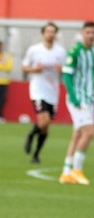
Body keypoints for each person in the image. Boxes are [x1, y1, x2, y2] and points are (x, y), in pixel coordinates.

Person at [22, 23, 66, 164]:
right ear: (43, 33)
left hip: (53, 92)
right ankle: (30, 135)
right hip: (38, 90)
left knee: (46, 126)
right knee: (44, 120)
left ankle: (36, 154)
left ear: (56, 34)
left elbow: (67, 70)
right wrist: (34, 69)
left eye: (53, 32)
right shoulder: (34, 50)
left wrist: (61, 71)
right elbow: (25, 67)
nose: (50, 34)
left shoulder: (60, 52)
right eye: (48, 31)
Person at [58, 21, 94, 185]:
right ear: (82, 33)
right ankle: (77, 170)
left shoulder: (92, 51)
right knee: (89, 132)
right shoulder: (75, 51)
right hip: (79, 100)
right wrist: (74, 98)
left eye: (93, 33)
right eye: (88, 32)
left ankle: (66, 171)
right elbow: (67, 76)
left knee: (78, 134)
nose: (91, 36)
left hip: (90, 99)